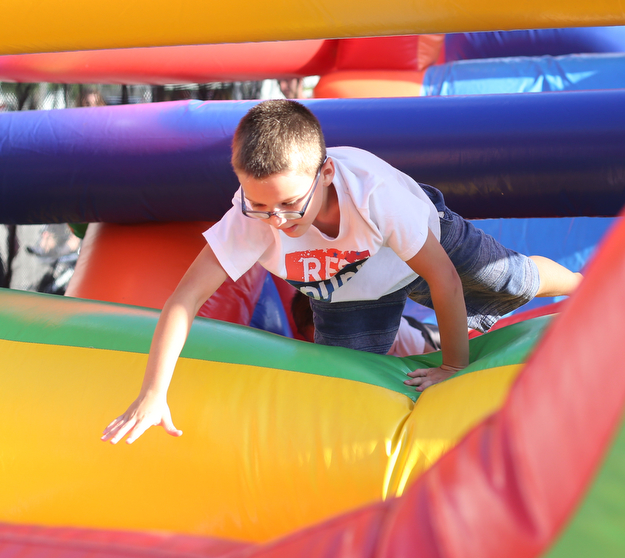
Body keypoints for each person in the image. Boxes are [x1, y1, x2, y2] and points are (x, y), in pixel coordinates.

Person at [101, 99, 582, 445]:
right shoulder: (251, 219)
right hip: (349, 294)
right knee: (346, 390)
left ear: (326, 174)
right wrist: (153, 393)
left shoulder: (375, 194)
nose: (278, 221)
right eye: (261, 204)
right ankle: (422, 341)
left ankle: (594, 286)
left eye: (290, 204)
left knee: (512, 281)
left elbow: (444, 279)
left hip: (417, 246)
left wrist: (454, 368)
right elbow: (183, 300)